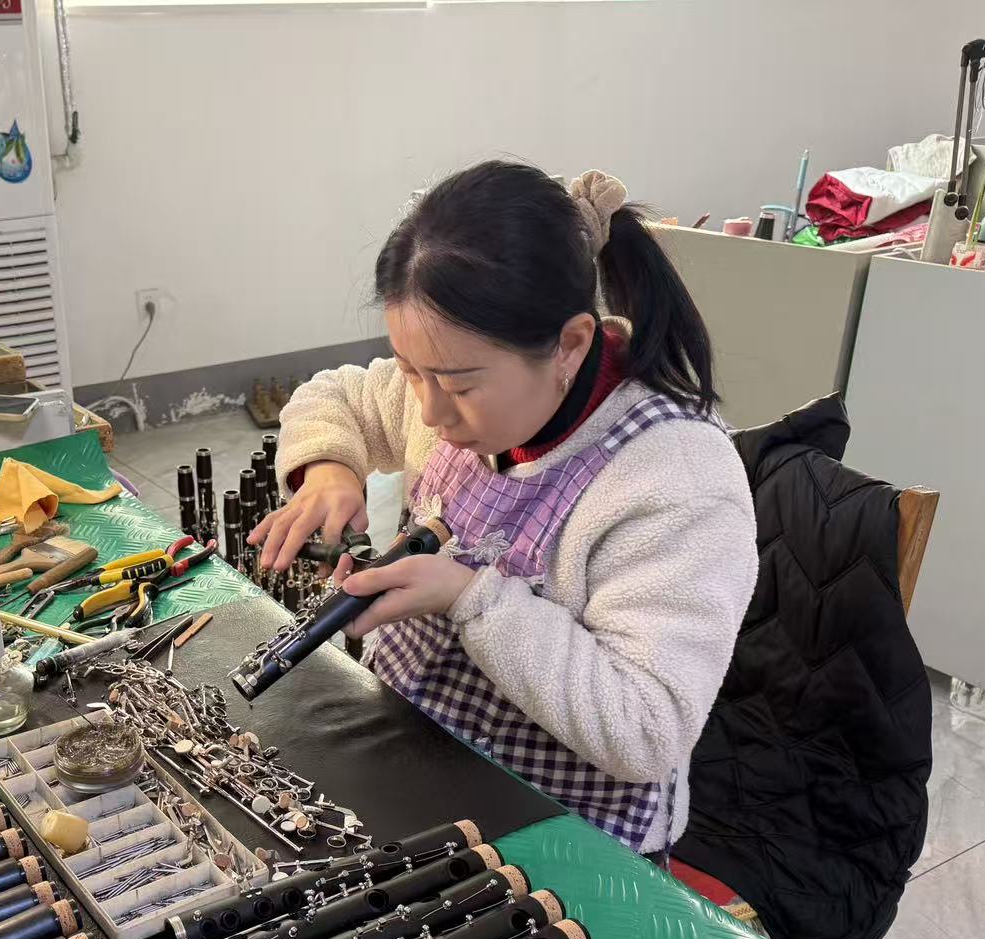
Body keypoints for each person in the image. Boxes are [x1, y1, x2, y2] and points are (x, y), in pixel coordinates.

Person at [249, 161, 758, 859]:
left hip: (568, 832)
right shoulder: (449, 387)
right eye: (410, 371)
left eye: (459, 385)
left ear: (570, 345)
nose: (430, 410)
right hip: (417, 755)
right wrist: (328, 471)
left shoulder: (675, 477)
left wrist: (470, 598)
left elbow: (646, 731)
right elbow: (334, 395)